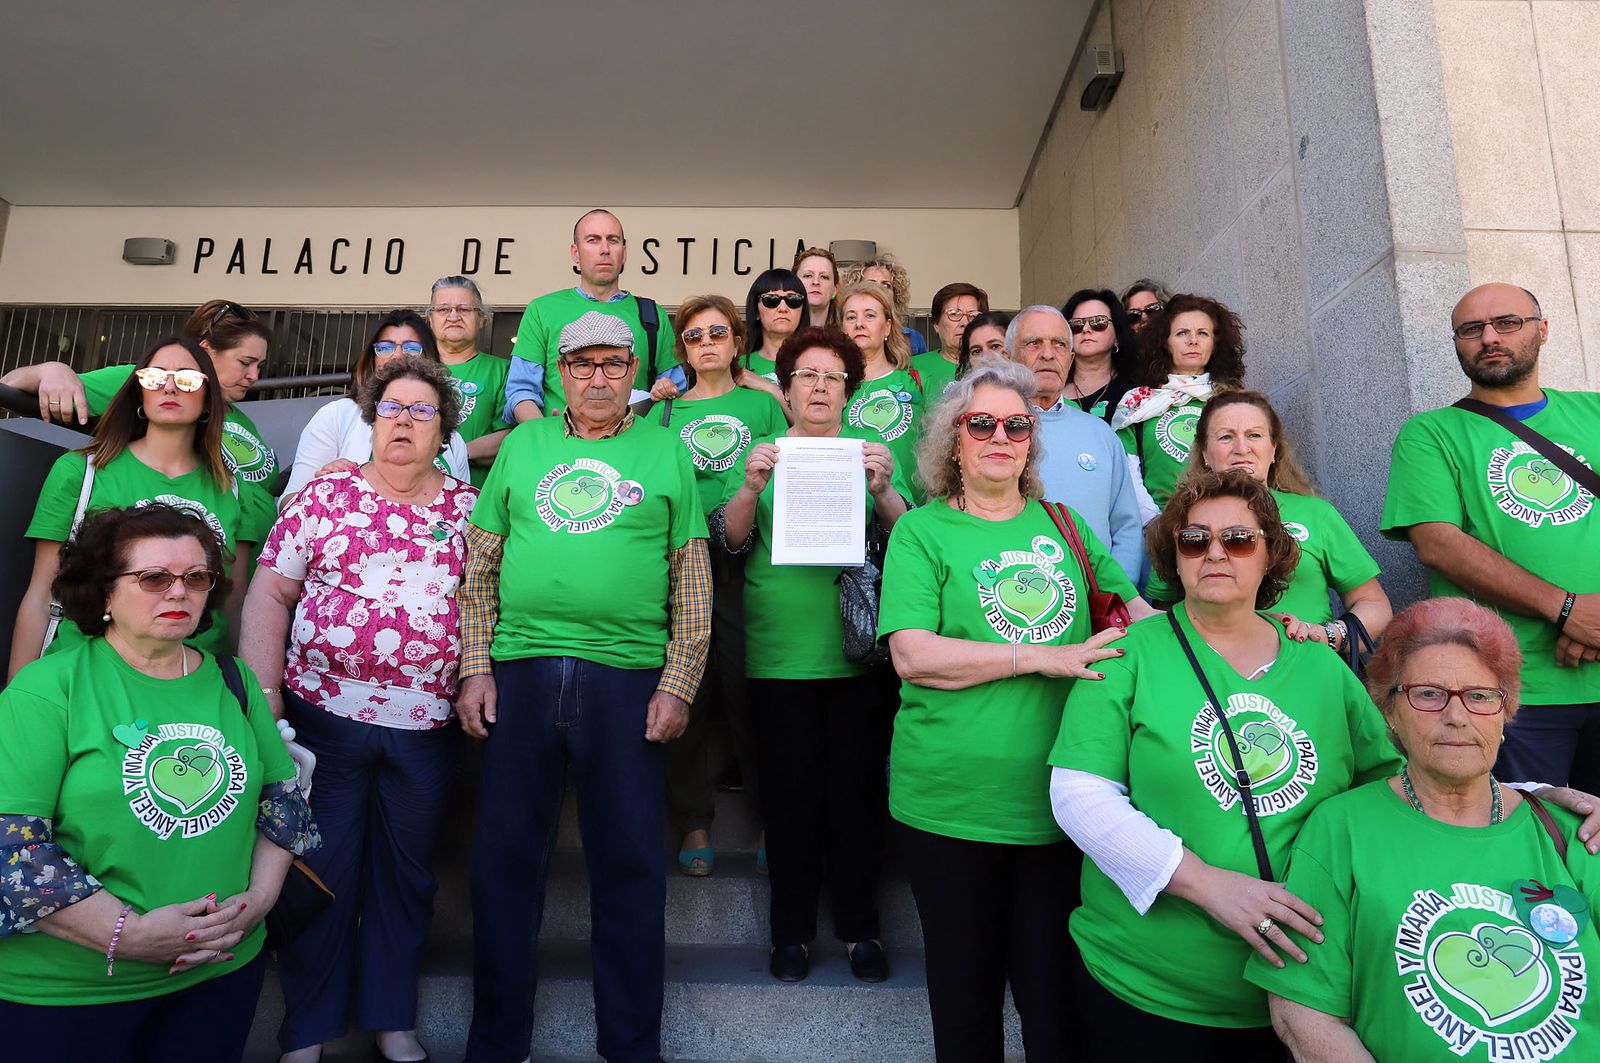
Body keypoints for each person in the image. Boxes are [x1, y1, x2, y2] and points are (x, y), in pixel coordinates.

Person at [1049, 469, 1403, 1059]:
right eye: (1195, 539)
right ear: (1175, 555)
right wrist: (1210, 886)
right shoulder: (1127, 653)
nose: (1215, 552)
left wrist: (1535, 795)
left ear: (1270, 557)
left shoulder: (1322, 668)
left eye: (1238, 540)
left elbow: (1392, 786)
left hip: (1303, 993)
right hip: (1151, 989)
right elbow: (1080, 795)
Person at [880, 355, 1152, 1061]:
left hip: (1062, 805)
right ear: (952, 439)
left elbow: (1140, 622)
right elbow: (912, 654)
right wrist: (1041, 654)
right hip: (949, 806)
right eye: (981, 423)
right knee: (965, 1009)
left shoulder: (1066, 527)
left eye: (1017, 424)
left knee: (1053, 1010)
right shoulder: (923, 531)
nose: (1000, 435)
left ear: (1032, 440)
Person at [457, 311, 711, 1063]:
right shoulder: (525, 446)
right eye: (582, 363)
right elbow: (480, 568)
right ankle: (498, 1044)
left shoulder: (665, 450)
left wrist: (680, 681)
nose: (598, 376)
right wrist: (475, 664)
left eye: (612, 362)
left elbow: (691, 577)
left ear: (634, 367)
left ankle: (631, 1047)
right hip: (522, 675)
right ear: (559, 372)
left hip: (628, 680)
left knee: (631, 868)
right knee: (503, 865)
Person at [0, 503, 316, 1063]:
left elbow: (283, 804)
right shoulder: (48, 689)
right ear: (102, 591)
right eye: (153, 578)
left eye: (196, 578)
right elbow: (12, 851)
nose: (179, 593)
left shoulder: (233, 679)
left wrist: (258, 904)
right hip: (71, 995)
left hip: (218, 976)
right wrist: (132, 934)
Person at [243, 356, 476, 1063]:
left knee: (406, 877)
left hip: (427, 726)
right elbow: (270, 593)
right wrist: (266, 694)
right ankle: (309, 1028)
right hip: (322, 719)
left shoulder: (469, 508)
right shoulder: (323, 496)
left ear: (445, 432)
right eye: (392, 408)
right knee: (320, 871)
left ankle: (390, 1016)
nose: (404, 420)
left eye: (422, 410)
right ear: (371, 422)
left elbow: (486, 607)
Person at [1249, 598, 1600, 1061]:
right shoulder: (1342, 829)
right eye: (1429, 694)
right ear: (1391, 711)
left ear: (1505, 713)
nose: (1457, 716)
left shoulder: (1576, 832)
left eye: (1479, 696)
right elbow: (1306, 1016)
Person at [715, 325, 909, 984]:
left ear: (849, 391)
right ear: (788, 390)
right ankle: (791, 933)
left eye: (832, 376)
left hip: (856, 655)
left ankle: (861, 930)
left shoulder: (873, 455)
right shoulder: (765, 453)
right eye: (807, 376)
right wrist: (748, 484)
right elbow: (730, 541)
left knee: (856, 797)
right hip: (779, 655)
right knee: (790, 801)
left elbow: (911, 538)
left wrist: (883, 489)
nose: (820, 386)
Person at [1382, 283, 1600, 791]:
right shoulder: (1432, 433)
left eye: (1506, 323)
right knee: (1533, 845)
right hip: (1507, 692)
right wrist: (1567, 610)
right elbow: (1437, 542)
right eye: (1471, 329)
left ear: (1542, 330)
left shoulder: (1594, 412)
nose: (1489, 338)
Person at [12, 338, 247, 679]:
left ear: (209, 398)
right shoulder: (81, 471)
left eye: (187, 379)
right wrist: (17, 698)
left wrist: (246, 689)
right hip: (87, 673)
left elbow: (231, 605)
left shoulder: (232, 488)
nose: (169, 387)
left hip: (190, 679)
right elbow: (41, 594)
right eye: (154, 378)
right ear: (140, 392)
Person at [652, 295, 787, 877]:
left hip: (747, 560)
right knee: (687, 694)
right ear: (682, 348)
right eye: (694, 336)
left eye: (717, 333)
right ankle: (693, 821)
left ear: (736, 342)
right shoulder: (663, 412)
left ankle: (766, 819)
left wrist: (775, 392)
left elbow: (792, 463)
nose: (706, 343)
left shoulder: (762, 405)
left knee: (746, 693)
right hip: (682, 564)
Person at [1, 299, 281, 553]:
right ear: (207, 352)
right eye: (246, 362)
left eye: (260, 366)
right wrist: (52, 370)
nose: (254, 376)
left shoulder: (240, 419)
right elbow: (12, 386)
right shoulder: (154, 383)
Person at [1146, 390, 1393, 648]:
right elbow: (1165, 613)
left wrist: (1324, 635)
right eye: (1226, 437)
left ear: (1274, 449)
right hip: (1212, 675)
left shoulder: (1316, 513)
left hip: (1308, 668)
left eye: (1254, 435)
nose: (1242, 448)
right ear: (1205, 453)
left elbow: (1374, 603)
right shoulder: (1184, 520)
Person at [1007, 305, 1145, 583]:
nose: (1047, 354)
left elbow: (1126, 527)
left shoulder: (1101, 434)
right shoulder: (988, 431)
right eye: (1033, 343)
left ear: (1070, 359)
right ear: (1009, 356)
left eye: (1058, 344)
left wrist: (1117, 595)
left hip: (1097, 603)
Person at [280, 310, 469, 505]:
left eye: (412, 347)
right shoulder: (337, 415)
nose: (397, 355)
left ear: (430, 356)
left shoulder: (453, 441)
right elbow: (287, 504)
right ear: (372, 357)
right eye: (385, 347)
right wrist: (321, 490)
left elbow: (463, 510)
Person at [504, 209, 673, 421]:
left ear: (624, 252)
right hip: (558, 447)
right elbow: (521, 392)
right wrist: (547, 440)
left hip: (632, 446)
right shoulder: (542, 310)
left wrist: (666, 389)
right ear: (575, 252)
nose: (605, 249)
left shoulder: (653, 316)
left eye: (613, 240)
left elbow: (675, 395)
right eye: (593, 240)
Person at [1112, 293, 1247, 513]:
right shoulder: (1136, 402)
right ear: (1165, 343)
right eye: (1182, 333)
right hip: (1160, 525)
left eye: (1202, 333)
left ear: (1215, 343)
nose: (1193, 341)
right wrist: (1153, 523)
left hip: (1229, 520)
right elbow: (1127, 474)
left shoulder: (1234, 399)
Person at [839, 281, 927, 503]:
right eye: (850, 317)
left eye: (869, 316)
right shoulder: (834, 385)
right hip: (852, 506)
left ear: (887, 327)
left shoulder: (916, 380)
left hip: (911, 508)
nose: (859, 324)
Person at [426, 275, 513, 487]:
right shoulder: (410, 370)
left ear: (482, 318)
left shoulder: (503, 371)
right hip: (412, 496)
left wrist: (454, 454)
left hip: (477, 499)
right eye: (443, 309)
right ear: (430, 318)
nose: (453, 316)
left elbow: (513, 436)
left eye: (464, 309)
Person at [1061, 288, 1140, 422]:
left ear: (1117, 336)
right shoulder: (1052, 389)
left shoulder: (1135, 390)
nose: (1086, 329)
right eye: (1076, 325)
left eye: (1098, 322)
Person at [913, 282, 989, 397]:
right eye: (954, 314)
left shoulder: (996, 367)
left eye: (973, 315)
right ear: (936, 324)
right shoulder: (913, 367)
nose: (964, 323)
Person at [846, 254, 927, 356]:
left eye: (886, 285)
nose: (880, 289)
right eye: (871, 283)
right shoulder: (846, 331)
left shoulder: (913, 339)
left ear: (895, 292)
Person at [743, 268, 808, 382]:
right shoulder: (736, 366)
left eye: (793, 300)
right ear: (756, 311)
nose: (783, 308)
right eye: (771, 300)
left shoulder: (818, 363)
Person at [793, 246, 841, 329]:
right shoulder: (780, 334)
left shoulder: (846, 338)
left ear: (835, 290)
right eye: (808, 275)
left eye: (824, 277)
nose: (816, 282)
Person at [957, 310, 1013, 379]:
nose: (986, 356)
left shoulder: (1029, 388)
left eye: (995, 346)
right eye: (977, 351)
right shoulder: (961, 389)